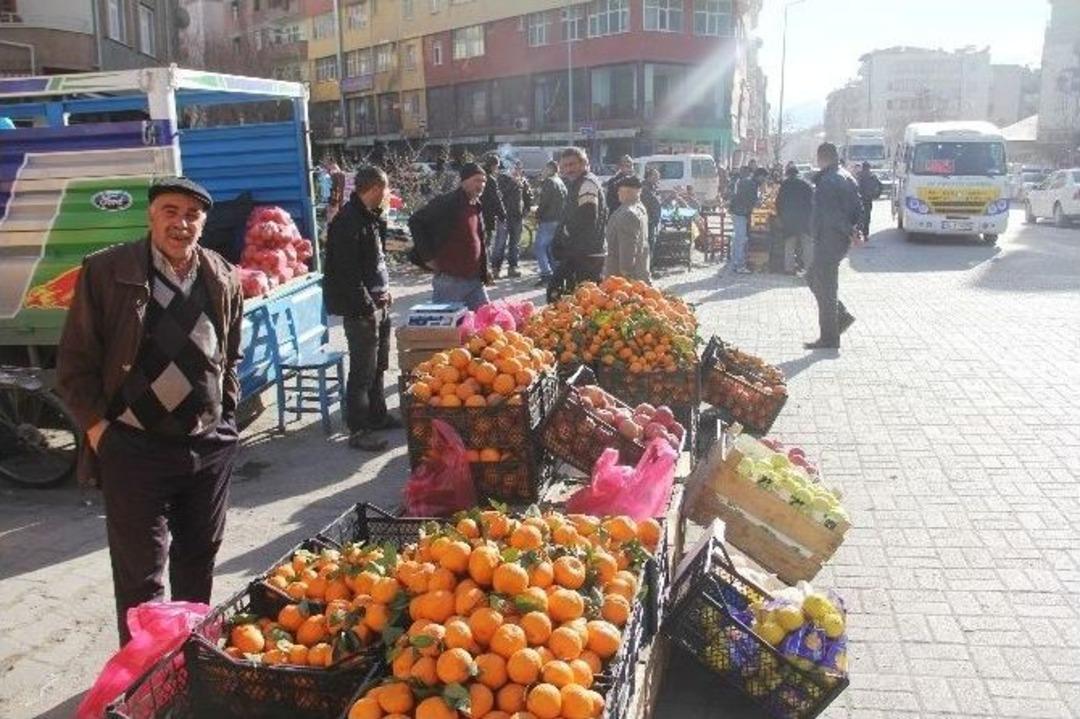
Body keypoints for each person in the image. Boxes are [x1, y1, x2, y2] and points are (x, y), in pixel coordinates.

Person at [57, 177, 243, 645]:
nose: (181, 223)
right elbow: (74, 363)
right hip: (134, 447)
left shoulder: (222, 274)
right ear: (150, 215)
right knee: (141, 573)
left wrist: (228, 421)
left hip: (207, 446)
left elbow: (231, 355)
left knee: (198, 559)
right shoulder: (106, 271)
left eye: (192, 214)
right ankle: (143, 677)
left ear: (204, 222)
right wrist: (100, 431)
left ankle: (189, 656)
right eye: (170, 211)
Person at [324, 165, 398, 451]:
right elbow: (347, 273)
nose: (388, 194)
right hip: (361, 310)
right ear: (376, 188)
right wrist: (367, 304)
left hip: (379, 303)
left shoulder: (370, 217)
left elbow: (375, 262)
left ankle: (377, 416)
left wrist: (384, 292)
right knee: (362, 371)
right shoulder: (348, 221)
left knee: (379, 366)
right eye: (386, 189)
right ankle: (359, 429)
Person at [408, 162, 492, 310]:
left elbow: (480, 240)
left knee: (484, 324)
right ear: (464, 181)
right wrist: (428, 257)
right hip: (450, 281)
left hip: (475, 280)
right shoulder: (448, 202)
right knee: (447, 328)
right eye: (477, 180)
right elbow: (416, 221)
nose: (482, 184)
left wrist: (485, 269)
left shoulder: (476, 205)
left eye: (484, 181)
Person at [805, 142, 862, 350]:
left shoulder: (828, 181)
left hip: (829, 240)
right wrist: (855, 230)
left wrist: (850, 231)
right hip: (837, 239)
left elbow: (832, 215)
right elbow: (858, 208)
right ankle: (841, 316)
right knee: (811, 277)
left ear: (822, 158)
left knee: (826, 288)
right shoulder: (847, 176)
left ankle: (829, 338)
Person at [548, 147, 608, 302]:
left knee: (583, 301)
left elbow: (587, 219)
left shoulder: (587, 183)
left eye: (572, 164)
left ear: (583, 164)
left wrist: (568, 245)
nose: (568, 169)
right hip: (583, 251)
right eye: (565, 166)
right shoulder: (578, 183)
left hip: (586, 254)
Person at [604, 175, 651, 282]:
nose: (618, 193)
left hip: (621, 278)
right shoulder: (640, 208)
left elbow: (628, 247)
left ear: (629, 191)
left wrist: (627, 275)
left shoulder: (627, 213)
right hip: (639, 272)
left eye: (620, 190)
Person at [492, 162, 534, 279]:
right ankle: (496, 268)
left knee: (514, 244)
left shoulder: (524, 181)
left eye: (519, 169)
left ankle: (513, 267)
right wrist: (512, 183)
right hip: (504, 216)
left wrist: (526, 209)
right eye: (515, 168)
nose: (517, 171)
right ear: (510, 169)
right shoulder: (502, 179)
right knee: (500, 243)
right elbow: (501, 194)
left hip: (517, 217)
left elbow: (529, 197)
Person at [776, 164, 815, 275]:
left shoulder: (785, 185)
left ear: (788, 174)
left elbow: (779, 202)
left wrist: (780, 215)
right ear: (797, 174)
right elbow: (812, 202)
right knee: (807, 244)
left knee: (789, 245)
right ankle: (809, 268)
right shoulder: (806, 184)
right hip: (804, 219)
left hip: (789, 219)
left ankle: (789, 269)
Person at [533, 160, 567, 287]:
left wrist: (537, 215)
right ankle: (556, 273)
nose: (543, 171)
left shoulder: (549, 182)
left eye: (545, 168)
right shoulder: (560, 182)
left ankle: (546, 273)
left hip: (548, 220)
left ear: (551, 169)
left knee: (539, 247)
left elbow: (544, 202)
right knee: (551, 248)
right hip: (558, 219)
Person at [727, 165, 760, 274]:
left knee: (737, 238)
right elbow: (753, 201)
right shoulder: (749, 183)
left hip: (736, 212)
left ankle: (735, 263)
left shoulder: (739, 181)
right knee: (741, 239)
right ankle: (739, 265)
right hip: (741, 213)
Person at [479, 154, 506, 256]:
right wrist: (502, 215)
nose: (497, 169)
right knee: (486, 244)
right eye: (497, 166)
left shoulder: (480, 176)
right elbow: (496, 199)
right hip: (487, 215)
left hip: (476, 213)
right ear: (493, 166)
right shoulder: (491, 180)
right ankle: (483, 267)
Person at [855, 161, 883, 239]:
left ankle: (858, 232)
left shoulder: (858, 176)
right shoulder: (872, 176)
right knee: (867, 217)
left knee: (858, 216)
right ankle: (865, 234)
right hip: (868, 199)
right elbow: (880, 186)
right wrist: (876, 195)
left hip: (859, 199)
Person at [641, 167, 662, 255]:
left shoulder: (653, 187)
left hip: (652, 219)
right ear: (649, 177)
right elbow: (653, 202)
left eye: (658, 176)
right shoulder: (644, 188)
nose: (657, 178)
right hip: (646, 218)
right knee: (647, 242)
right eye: (655, 176)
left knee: (651, 241)